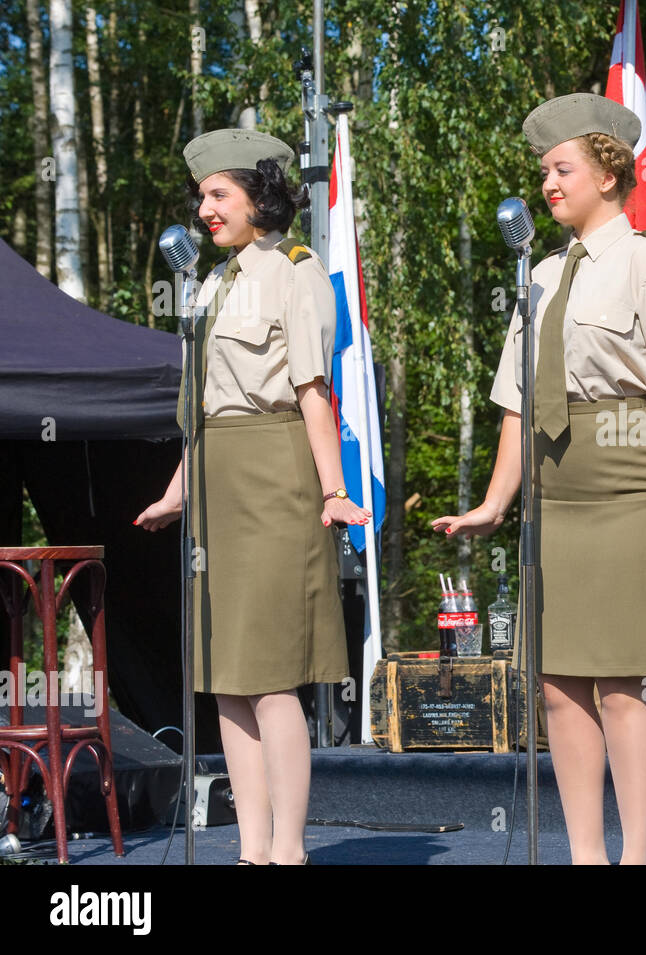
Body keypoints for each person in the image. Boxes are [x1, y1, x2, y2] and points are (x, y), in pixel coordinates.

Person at [432, 93, 646, 865]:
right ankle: (584, 855)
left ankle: (635, 856)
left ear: (607, 170)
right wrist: (494, 503)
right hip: (555, 491)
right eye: (543, 172)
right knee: (559, 685)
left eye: (560, 168)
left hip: (635, 479)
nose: (547, 184)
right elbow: (515, 404)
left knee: (622, 680)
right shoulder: (535, 276)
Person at [136, 129, 371, 865]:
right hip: (219, 485)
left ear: (256, 198)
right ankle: (251, 847)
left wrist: (333, 489)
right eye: (202, 197)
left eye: (217, 195)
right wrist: (176, 493)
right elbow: (201, 413)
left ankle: (291, 850)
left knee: (271, 679)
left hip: (276, 474)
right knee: (228, 679)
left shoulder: (294, 271)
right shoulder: (210, 286)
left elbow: (311, 390)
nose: (204, 209)